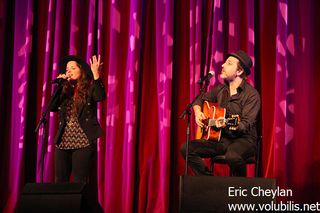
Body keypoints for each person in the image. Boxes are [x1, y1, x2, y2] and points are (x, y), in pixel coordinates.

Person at [180, 50, 261, 176]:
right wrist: (197, 112)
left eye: (229, 63)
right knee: (186, 149)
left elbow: (245, 124)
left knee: (232, 156)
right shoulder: (220, 90)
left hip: (244, 140)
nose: (222, 65)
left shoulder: (251, 95)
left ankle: (240, 190)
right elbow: (199, 100)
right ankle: (209, 183)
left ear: (239, 71)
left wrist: (227, 124)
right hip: (222, 139)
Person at [50, 55, 105, 183]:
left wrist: (96, 75)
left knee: (80, 181)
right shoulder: (64, 90)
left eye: (73, 68)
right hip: (63, 141)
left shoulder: (89, 88)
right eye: (67, 69)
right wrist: (58, 86)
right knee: (60, 180)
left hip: (83, 140)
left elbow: (100, 96)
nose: (69, 71)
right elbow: (52, 107)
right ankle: (61, 204)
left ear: (81, 71)